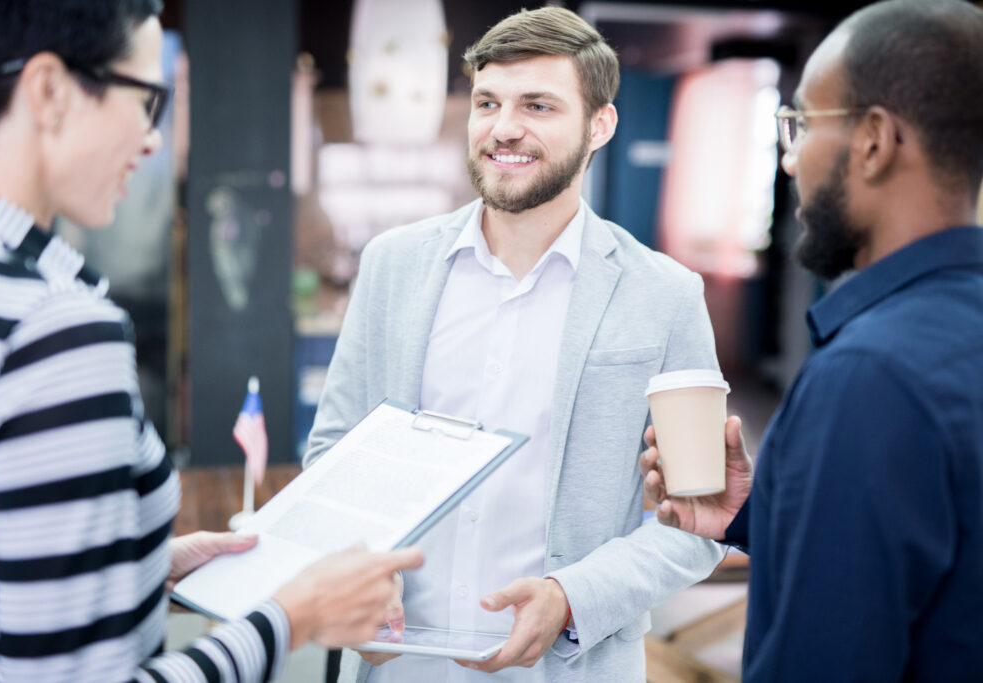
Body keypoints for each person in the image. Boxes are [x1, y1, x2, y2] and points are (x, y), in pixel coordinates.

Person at [0, 1, 423, 681]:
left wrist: (140, 562)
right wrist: (292, 616)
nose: (153, 139)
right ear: (50, 90)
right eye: (146, 99)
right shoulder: (53, 330)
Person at [304, 7, 727, 682]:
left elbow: (699, 520)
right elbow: (334, 457)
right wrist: (359, 569)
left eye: (537, 105)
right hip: (402, 666)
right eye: (487, 102)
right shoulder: (392, 265)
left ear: (600, 125)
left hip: (571, 668)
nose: (503, 127)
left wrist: (572, 597)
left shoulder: (665, 294)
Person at [640, 0, 983, 680]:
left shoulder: (870, 378)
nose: (791, 160)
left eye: (801, 124)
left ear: (874, 140)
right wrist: (760, 514)